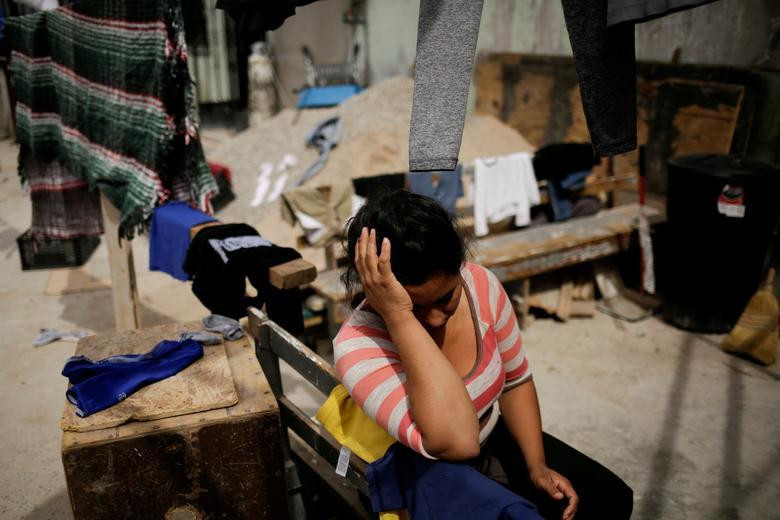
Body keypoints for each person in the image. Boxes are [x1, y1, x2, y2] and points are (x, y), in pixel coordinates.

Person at [333, 190, 633, 519]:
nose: (436, 318)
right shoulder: (358, 345)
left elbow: (515, 380)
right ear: (375, 286)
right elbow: (458, 442)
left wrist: (537, 465)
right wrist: (399, 317)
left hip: (491, 440)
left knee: (611, 497)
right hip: (425, 473)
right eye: (416, 306)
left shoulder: (480, 285)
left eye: (446, 298)